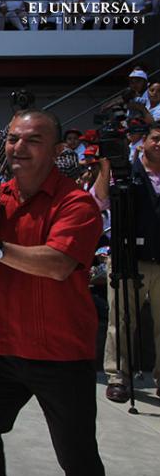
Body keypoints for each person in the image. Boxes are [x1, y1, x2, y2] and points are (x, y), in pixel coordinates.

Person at [0, 110, 107, 476]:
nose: (18, 148)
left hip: (61, 354)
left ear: (56, 151)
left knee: (76, 457)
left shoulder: (77, 204)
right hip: (2, 349)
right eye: (13, 139)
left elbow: (57, 264)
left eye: (32, 140)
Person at [93, 122, 160, 403]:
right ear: (142, 142)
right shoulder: (125, 172)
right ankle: (118, 376)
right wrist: (105, 168)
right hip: (127, 257)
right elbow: (98, 201)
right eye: (156, 138)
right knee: (120, 320)